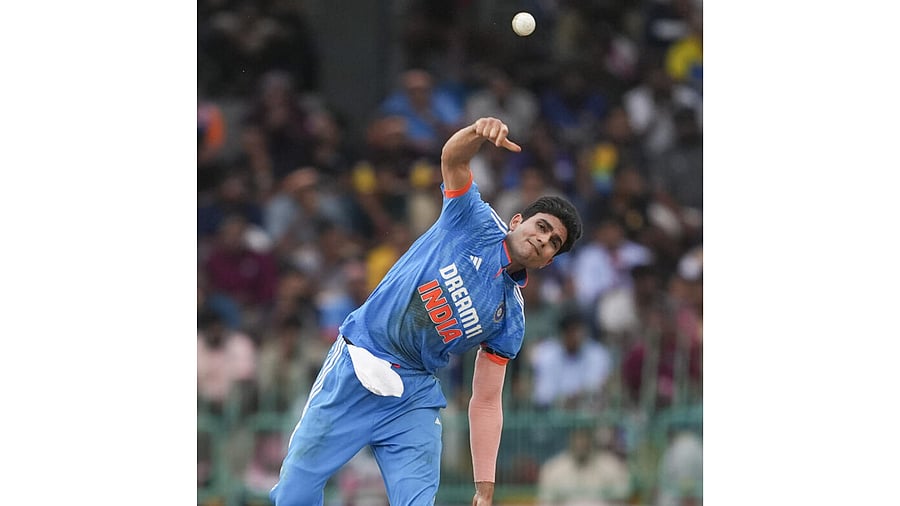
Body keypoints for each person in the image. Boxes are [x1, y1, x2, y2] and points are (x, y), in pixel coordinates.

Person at [269, 117, 583, 505]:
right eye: (542, 226)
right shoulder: (474, 220)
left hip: (412, 396)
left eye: (553, 243)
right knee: (292, 495)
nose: (542, 240)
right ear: (518, 221)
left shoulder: (510, 318)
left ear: (549, 261)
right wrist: (477, 132)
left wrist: (484, 488)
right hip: (359, 362)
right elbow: (453, 160)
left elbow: (486, 401)